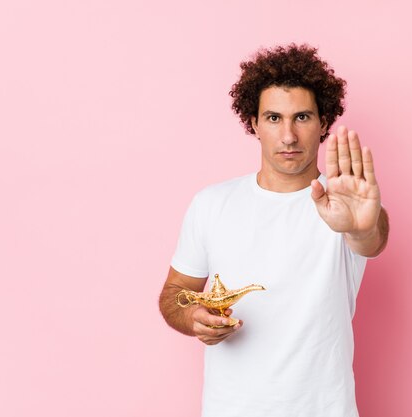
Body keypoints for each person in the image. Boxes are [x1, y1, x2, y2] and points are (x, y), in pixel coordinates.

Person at [159, 44, 389, 417]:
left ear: (324, 122)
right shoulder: (211, 204)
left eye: (302, 117)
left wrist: (363, 226)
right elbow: (174, 293)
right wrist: (192, 318)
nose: (288, 137)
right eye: (273, 118)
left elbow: (371, 239)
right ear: (253, 123)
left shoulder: (344, 203)